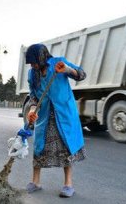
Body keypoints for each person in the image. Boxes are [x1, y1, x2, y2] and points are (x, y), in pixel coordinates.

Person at [25, 43, 86, 198]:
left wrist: (67, 69)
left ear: (42, 57)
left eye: (34, 62)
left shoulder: (59, 62)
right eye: (30, 63)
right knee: (39, 148)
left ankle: (68, 184)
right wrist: (32, 111)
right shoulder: (33, 74)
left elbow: (81, 74)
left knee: (65, 148)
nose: (32, 65)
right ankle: (36, 182)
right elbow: (33, 96)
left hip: (63, 113)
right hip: (45, 115)